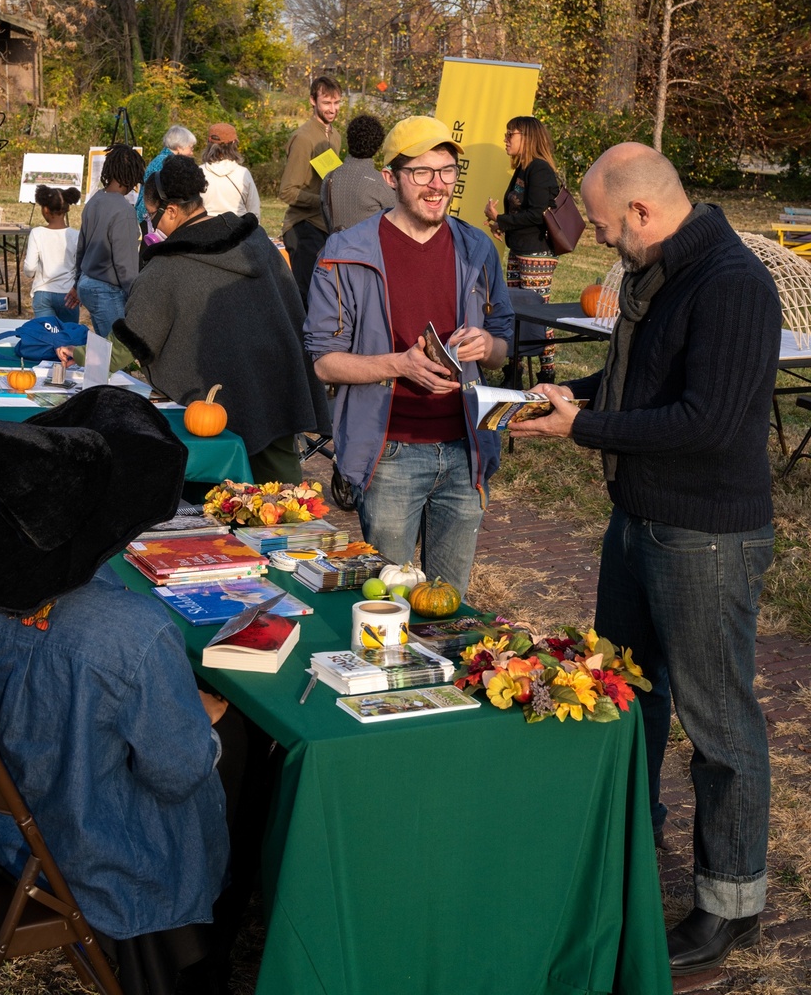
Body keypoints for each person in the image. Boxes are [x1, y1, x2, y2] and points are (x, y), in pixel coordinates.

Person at [510, 143, 781, 976]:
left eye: (598, 224)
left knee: (720, 724)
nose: (594, 239)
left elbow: (703, 421)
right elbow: (640, 377)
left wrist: (579, 429)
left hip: (704, 538)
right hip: (639, 525)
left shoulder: (732, 285)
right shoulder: (654, 271)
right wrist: (577, 395)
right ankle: (630, 846)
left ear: (640, 212)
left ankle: (731, 901)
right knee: (626, 694)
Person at [0, 386, 235, 994]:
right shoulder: (136, 633)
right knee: (224, 745)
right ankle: (198, 942)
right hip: (106, 860)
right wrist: (200, 728)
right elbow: (178, 772)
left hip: (18, 828)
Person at [304, 116, 513, 594]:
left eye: (446, 170)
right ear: (391, 178)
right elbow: (323, 361)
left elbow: (502, 345)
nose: (437, 185)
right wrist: (398, 364)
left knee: (449, 608)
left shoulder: (477, 248)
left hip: (466, 452)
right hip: (390, 453)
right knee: (389, 607)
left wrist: (488, 344)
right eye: (421, 172)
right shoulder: (345, 253)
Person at [114, 155, 330, 485]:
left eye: (154, 215)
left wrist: (80, 355)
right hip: (276, 385)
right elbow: (290, 306)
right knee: (285, 502)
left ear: (171, 210)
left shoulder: (166, 267)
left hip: (219, 406)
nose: (153, 224)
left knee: (226, 503)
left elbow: (133, 341)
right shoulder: (257, 242)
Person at [484, 115, 561, 384]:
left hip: (536, 253)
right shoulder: (522, 168)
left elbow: (538, 214)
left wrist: (501, 220)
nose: (505, 140)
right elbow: (520, 210)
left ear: (526, 137)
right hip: (519, 249)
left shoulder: (539, 169)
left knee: (539, 313)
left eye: (510, 134)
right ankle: (514, 372)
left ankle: (547, 375)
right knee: (513, 310)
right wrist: (502, 225)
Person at [69, 143, 145, 336]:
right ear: (130, 176)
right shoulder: (124, 211)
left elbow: (82, 248)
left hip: (88, 283)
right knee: (117, 353)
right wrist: (136, 299)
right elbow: (125, 264)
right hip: (105, 290)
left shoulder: (94, 201)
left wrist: (77, 284)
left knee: (104, 348)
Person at [279, 75, 342, 305]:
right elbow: (287, 191)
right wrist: (324, 200)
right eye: (327, 103)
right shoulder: (303, 138)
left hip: (326, 228)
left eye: (336, 103)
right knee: (305, 302)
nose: (332, 109)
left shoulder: (335, 135)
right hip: (303, 228)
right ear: (312, 101)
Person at [320, 113, 395, 232]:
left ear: (349, 139)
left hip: (336, 248)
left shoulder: (329, 178)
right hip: (370, 249)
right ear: (378, 146)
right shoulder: (381, 183)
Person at [23, 184, 81, 322]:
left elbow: (30, 268)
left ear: (46, 209)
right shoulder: (76, 235)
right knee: (69, 337)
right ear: (67, 209)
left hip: (43, 293)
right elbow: (81, 267)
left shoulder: (37, 233)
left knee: (47, 338)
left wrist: (31, 274)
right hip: (68, 294)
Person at [136, 124, 197, 227]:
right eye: (190, 148)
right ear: (179, 147)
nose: (192, 152)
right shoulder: (168, 164)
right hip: (151, 219)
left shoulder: (160, 159)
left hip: (145, 215)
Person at [199, 122, 261, 219]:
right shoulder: (243, 173)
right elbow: (254, 212)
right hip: (238, 229)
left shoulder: (198, 172)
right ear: (233, 144)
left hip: (205, 228)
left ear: (209, 143)